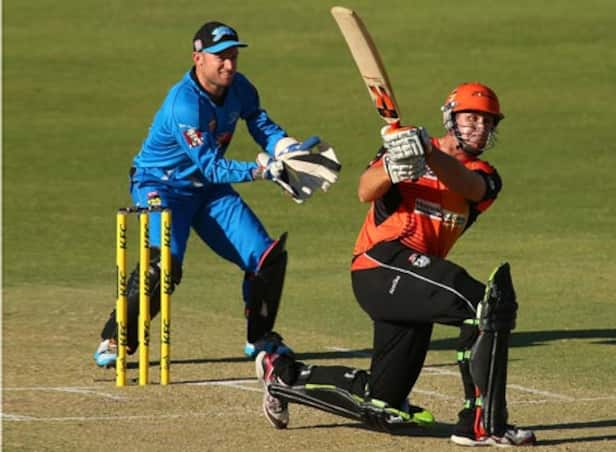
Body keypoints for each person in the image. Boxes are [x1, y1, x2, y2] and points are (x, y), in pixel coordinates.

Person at [254, 83, 536, 447]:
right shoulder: (406, 152)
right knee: (482, 305)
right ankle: (481, 424)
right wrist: (391, 164)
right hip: (380, 264)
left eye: (487, 121)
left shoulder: (486, 175)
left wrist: (427, 154)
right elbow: (365, 190)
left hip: (413, 281)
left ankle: (284, 375)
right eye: (471, 117)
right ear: (451, 117)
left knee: (382, 401)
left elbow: (470, 187)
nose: (479, 126)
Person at [94, 21, 341, 367]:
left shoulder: (240, 88)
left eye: (233, 56)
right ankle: (115, 338)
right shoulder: (185, 105)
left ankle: (260, 338)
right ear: (198, 58)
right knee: (162, 267)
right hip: (161, 185)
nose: (229, 64)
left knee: (267, 258)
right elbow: (212, 166)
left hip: (207, 191)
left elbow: (258, 122)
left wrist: (285, 147)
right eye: (220, 57)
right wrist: (263, 170)